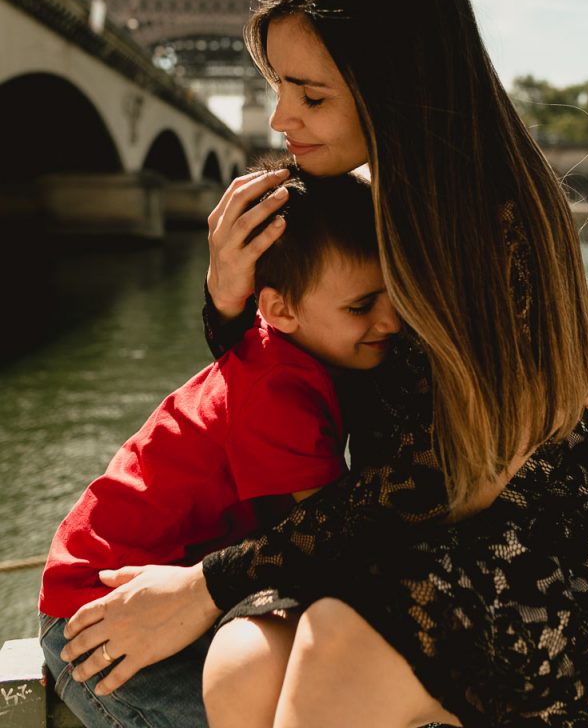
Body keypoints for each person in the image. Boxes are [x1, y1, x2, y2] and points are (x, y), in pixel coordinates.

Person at [60, 0, 588, 727]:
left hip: (536, 560)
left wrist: (211, 581)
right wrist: (230, 301)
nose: (281, 116)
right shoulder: (363, 204)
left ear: (396, 89)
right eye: (278, 86)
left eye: (311, 96)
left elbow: (447, 476)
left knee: (329, 643)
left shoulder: (494, 226)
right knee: (245, 670)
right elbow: (311, 385)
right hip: (413, 539)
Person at [40, 161, 400, 728]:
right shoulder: (281, 395)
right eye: (362, 307)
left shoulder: (289, 350)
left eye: (393, 295)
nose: (392, 319)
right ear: (280, 309)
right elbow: (331, 537)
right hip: (98, 620)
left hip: (141, 587)